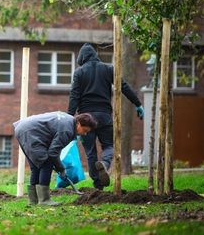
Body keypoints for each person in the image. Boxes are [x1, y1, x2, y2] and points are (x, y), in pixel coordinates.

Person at [67, 43, 144, 191]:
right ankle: (105, 164)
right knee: (109, 146)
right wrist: (138, 104)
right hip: (104, 116)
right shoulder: (109, 69)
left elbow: (74, 96)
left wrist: (69, 118)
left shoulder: (79, 72)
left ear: (82, 58)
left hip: (85, 119)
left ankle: (98, 186)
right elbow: (124, 86)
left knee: (90, 152)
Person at [14, 112, 97, 206]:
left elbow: (54, 149)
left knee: (36, 167)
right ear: (78, 123)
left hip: (22, 127)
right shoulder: (67, 130)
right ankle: (44, 200)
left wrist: (59, 167)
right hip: (31, 132)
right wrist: (61, 168)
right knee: (46, 163)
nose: (85, 134)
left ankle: (34, 200)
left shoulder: (69, 121)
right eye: (85, 130)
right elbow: (53, 152)